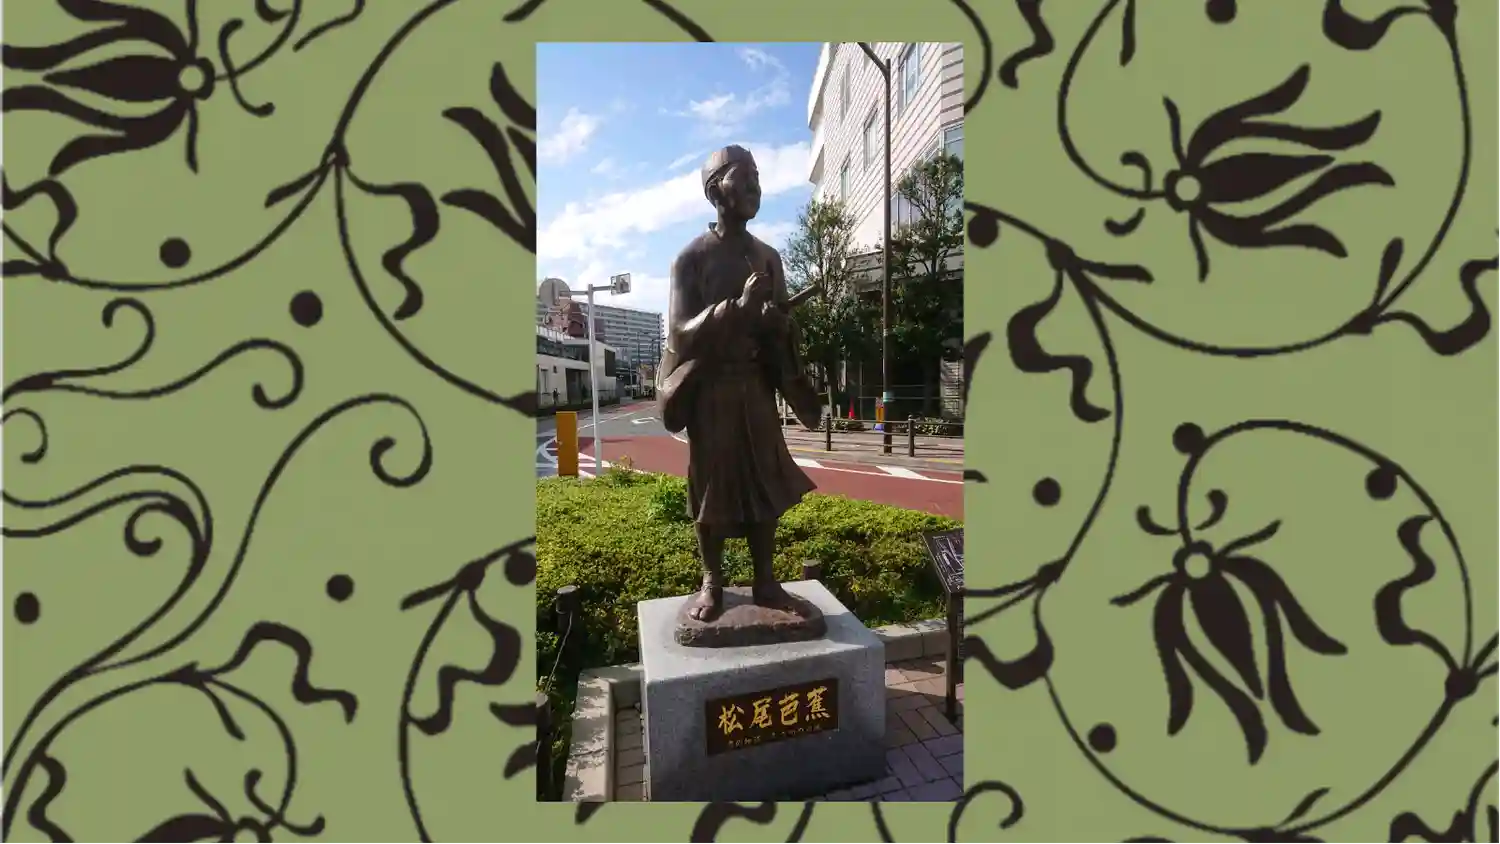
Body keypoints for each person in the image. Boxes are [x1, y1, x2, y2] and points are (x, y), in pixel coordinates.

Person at [656, 145, 821, 622]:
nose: (754, 186)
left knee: (764, 482)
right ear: (715, 191)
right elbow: (679, 332)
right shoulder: (691, 259)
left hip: (756, 388)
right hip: (711, 391)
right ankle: (712, 581)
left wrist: (777, 323)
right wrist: (737, 309)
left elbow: (783, 327)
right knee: (712, 487)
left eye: (757, 177)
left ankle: (766, 580)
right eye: (743, 177)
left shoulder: (768, 256)